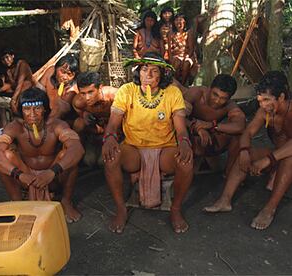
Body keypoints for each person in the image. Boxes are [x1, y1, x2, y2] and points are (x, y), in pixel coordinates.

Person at [102, 54, 193, 234]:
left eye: (154, 71)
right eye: (144, 70)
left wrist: (184, 142)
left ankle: (175, 209)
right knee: (111, 158)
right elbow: (112, 124)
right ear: (138, 72)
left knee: (186, 162)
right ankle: (121, 209)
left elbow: (181, 129)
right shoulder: (127, 90)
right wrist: (109, 137)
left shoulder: (172, 93)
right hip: (133, 149)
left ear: (162, 74)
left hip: (164, 150)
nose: (148, 75)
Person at [204, 71, 292, 230]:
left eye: (267, 100)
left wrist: (267, 160)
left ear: (281, 96)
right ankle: (225, 200)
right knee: (246, 152)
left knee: (289, 158)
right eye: (260, 100)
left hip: (286, 159)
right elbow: (248, 132)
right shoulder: (264, 111)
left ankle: (269, 209)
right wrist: (244, 151)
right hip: (277, 157)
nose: (263, 105)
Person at [0, 87, 85, 223]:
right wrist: (20, 175)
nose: (32, 114)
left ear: (45, 109)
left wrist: (51, 172)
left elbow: (77, 149)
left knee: (68, 155)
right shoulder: (15, 127)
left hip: (54, 177)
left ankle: (66, 202)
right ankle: (17, 202)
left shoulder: (56, 125)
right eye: (27, 109)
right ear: (21, 111)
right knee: (5, 156)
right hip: (26, 177)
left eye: (37, 108)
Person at [185, 74, 246, 174]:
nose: (217, 101)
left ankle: (229, 173)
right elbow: (177, 116)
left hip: (210, 141)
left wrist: (212, 125)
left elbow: (240, 126)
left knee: (238, 135)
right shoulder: (195, 93)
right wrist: (197, 128)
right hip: (188, 139)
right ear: (210, 88)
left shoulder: (230, 106)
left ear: (229, 98)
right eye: (215, 94)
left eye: (223, 98)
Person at [72, 72, 118, 167]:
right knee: (78, 123)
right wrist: (85, 115)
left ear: (100, 87)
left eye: (90, 92)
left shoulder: (114, 96)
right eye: (83, 93)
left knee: (103, 162)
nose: (87, 98)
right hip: (94, 135)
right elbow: (83, 120)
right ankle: (78, 151)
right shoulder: (78, 102)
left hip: (115, 133)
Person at [35, 55, 79, 120]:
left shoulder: (71, 91)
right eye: (63, 72)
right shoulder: (50, 71)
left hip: (59, 119)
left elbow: (57, 113)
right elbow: (38, 92)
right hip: (45, 109)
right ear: (56, 68)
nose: (65, 77)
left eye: (69, 74)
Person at [0, 47, 34, 112]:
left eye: (7, 57)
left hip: (27, 90)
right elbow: (12, 85)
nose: (6, 61)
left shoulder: (22, 63)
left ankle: (16, 108)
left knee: (26, 83)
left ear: (12, 56)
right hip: (17, 91)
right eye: (3, 59)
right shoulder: (9, 70)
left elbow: (20, 83)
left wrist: (13, 99)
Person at [169, 13, 195, 86]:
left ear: (185, 22)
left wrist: (185, 58)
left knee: (186, 64)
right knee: (177, 62)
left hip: (187, 56)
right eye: (176, 20)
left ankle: (182, 85)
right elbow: (169, 49)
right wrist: (171, 59)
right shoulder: (171, 33)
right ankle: (175, 83)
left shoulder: (189, 33)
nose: (178, 22)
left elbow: (191, 49)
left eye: (180, 20)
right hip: (175, 56)